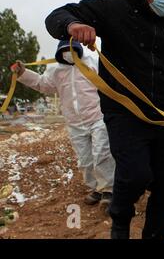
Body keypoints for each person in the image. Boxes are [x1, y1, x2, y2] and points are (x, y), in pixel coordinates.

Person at [44, 0, 164, 239]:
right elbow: (56, 15)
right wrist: (72, 26)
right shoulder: (114, 8)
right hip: (124, 113)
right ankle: (120, 220)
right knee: (136, 174)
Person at [11, 40, 115, 213]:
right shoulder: (55, 70)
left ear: (78, 49)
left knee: (102, 153)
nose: (69, 53)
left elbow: (109, 83)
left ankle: (109, 190)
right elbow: (42, 84)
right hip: (74, 122)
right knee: (85, 159)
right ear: (60, 52)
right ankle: (96, 188)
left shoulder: (93, 62)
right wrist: (23, 73)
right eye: (65, 50)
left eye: (72, 49)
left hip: (97, 117)